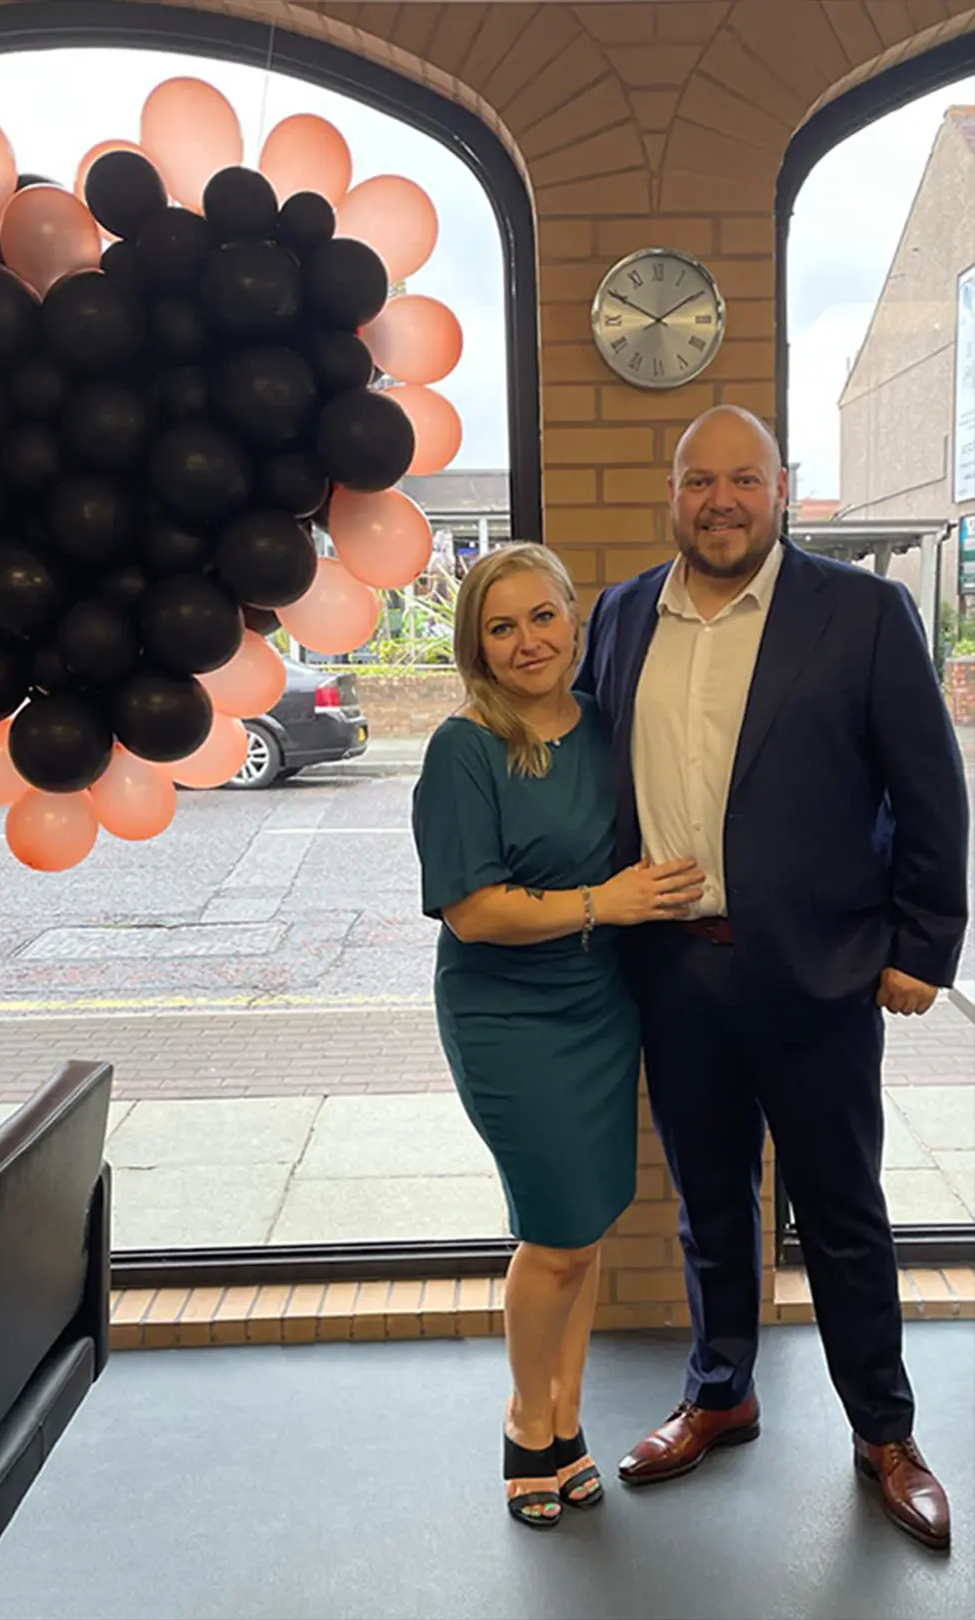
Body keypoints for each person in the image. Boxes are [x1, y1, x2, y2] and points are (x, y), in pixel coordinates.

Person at [577, 405, 969, 1551]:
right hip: (674, 972)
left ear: (784, 489)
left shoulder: (862, 614)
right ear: (673, 493)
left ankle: (884, 1433)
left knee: (844, 1212)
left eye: (744, 479)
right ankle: (720, 1392)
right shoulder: (618, 616)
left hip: (822, 975)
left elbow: (932, 793)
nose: (722, 501)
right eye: (701, 481)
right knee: (709, 1206)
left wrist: (920, 949)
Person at [411, 544, 704, 1531]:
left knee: (584, 1233)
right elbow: (474, 913)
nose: (527, 640)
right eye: (502, 625)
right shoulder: (463, 747)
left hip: (599, 1007)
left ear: (577, 622)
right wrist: (606, 902)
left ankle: (568, 1418)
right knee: (555, 1234)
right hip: (507, 1017)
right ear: (476, 645)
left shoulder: (605, 729)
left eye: (544, 617)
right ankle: (524, 1424)